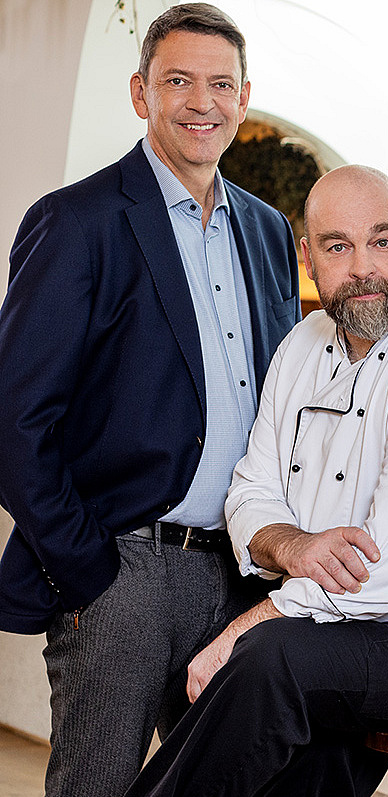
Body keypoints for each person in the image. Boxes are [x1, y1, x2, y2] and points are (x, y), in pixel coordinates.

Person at [0, 5, 299, 795]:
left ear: (244, 97)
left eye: (220, 84)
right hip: (121, 568)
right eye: (178, 81)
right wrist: (88, 567)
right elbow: (15, 419)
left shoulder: (268, 232)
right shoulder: (77, 221)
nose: (202, 102)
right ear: (141, 92)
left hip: (241, 573)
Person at [125, 165, 388, 796]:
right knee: (292, 751)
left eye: (382, 241)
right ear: (308, 257)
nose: (363, 268)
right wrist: (293, 548)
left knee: (266, 662)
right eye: (338, 246)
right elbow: (249, 491)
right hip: (332, 634)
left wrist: (249, 628)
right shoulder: (301, 347)